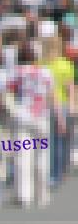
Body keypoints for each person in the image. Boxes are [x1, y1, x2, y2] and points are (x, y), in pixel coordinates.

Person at [7, 41, 59, 207]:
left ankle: (24, 196)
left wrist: (12, 111)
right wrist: (58, 116)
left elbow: (8, 93)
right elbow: (52, 95)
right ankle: (42, 195)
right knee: (42, 156)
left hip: (22, 117)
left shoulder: (17, 72)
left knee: (22, 156)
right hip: (42, 116)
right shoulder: (45, 72)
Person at [41, 34, 75, 186]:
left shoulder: (41, 64)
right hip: (63, 105)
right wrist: (73, 105)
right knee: (63, 140)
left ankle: (53, 173)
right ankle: (60, 171)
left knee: (51, 142)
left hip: (45, 107)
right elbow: (70, 88)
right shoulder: (65, 64)